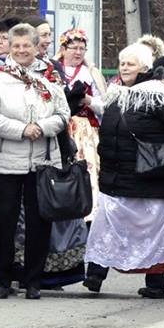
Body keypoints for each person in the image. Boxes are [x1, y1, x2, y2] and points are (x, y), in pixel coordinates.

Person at [82, 41, 164, 299]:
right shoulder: (116, 93)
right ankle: (95, 275)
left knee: (154, 231)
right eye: (122, 63)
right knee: (106, 225)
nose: (124, 68)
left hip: (151, 176)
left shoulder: (161, 94)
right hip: (115, 175)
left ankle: (156, 283)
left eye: (130, 64)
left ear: (144, 67)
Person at [0, 23, 70, 300]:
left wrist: (41, 127)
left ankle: (33, 280)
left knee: (39, 221)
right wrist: (21, 130)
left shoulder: (50, 76)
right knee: (4, 220)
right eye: (16, 46)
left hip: (42, 161)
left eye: (26, 45)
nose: (21, 50)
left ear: (35, 47)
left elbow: (63, 113)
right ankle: (3, 279)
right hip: (6, 159)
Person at [57, 28, 107, 223]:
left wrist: (87, 100)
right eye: (73, 48)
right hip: (61, 126)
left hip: (85, 129)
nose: (78, 52)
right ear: (63, 49)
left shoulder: (90, 74)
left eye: (82, 48)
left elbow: (103, 106)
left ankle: (88, 214)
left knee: (87, 170)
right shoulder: (54, 71)